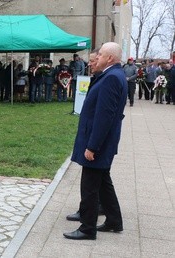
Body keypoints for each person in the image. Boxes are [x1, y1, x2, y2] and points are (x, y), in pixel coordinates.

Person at [64, 42, 127, 240]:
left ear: (109, 58)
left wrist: (92, 146)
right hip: (102, 141)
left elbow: (104, 116)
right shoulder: (112, 75)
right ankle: (114, 221)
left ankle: (87, 228)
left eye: (99, 55)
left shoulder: (111, 78)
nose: (95, 59)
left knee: (90, 185)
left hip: (98, 142)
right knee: (103, 182)